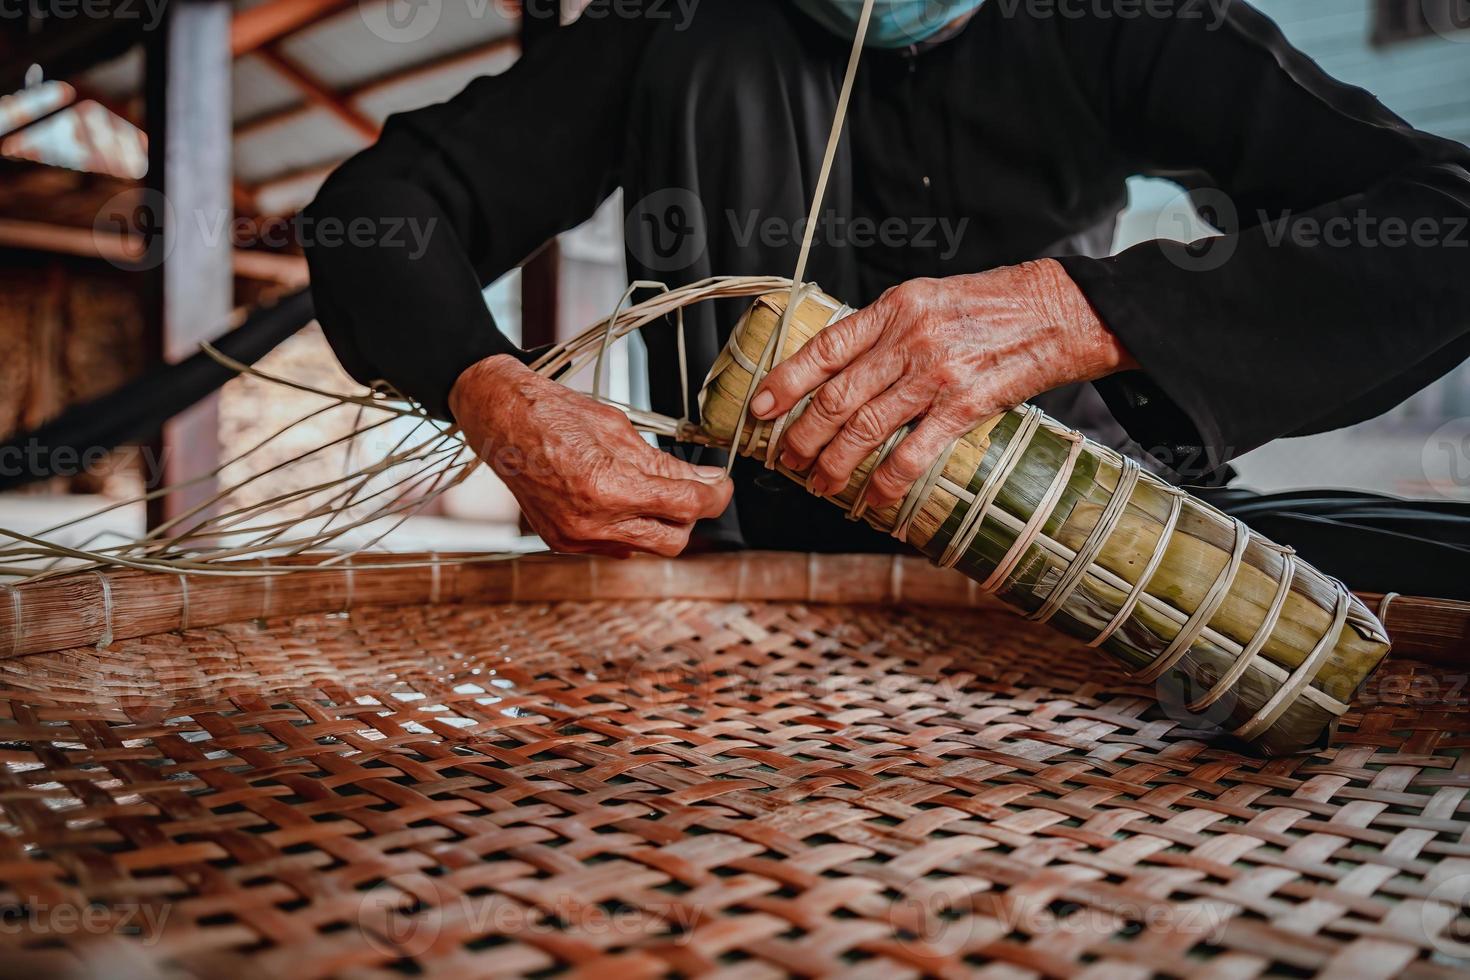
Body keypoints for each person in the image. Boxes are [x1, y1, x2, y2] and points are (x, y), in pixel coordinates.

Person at [304, 0, 1470, 559]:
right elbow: (376, 208)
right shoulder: (673, 32)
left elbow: (1448, 226)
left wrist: (1091, 310)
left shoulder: (1125, 23)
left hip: (1089, 558)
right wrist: (490, 390)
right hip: (745, 584)